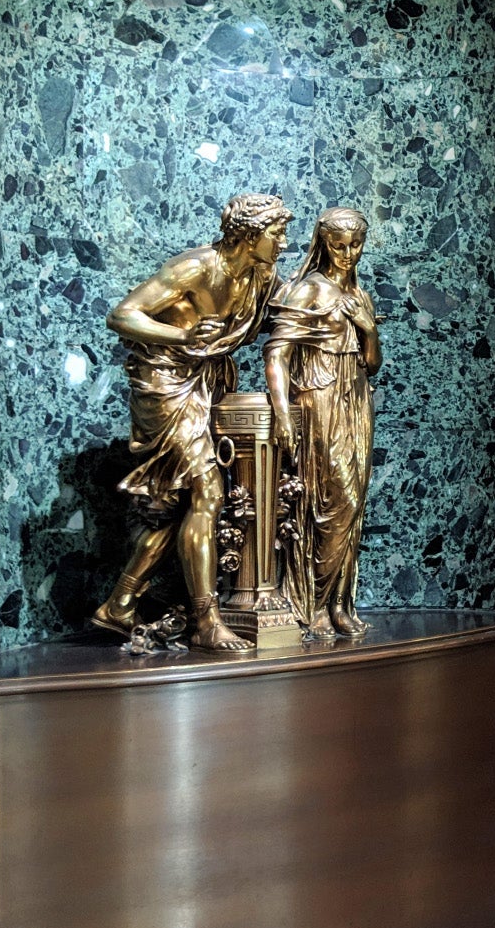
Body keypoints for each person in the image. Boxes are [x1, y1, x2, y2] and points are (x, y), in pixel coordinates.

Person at [95, 193, 293, 651]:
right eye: (277, 233)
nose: (283, 242)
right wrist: (182, 335)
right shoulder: (195, 268)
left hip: (209, 380)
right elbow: (122, 315)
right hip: (165, 384)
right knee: (208, 492)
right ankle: (206, 621)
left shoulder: (261, 275)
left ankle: (120, 603)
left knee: (182, 501)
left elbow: (291, 310)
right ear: (250, 235)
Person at [264, 207, 380, 637]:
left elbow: (372, 364)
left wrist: (369, 330)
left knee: (354, 503)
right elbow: (276, 354)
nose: (348, 254)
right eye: (339, 245)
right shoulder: (308, 289)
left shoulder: (361, 295)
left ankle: (339, 603)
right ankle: (310, 602)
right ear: (323, 243)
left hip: (357, 399)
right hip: (319, 399)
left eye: (356, 245)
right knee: (328, 501)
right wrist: (282, 412)